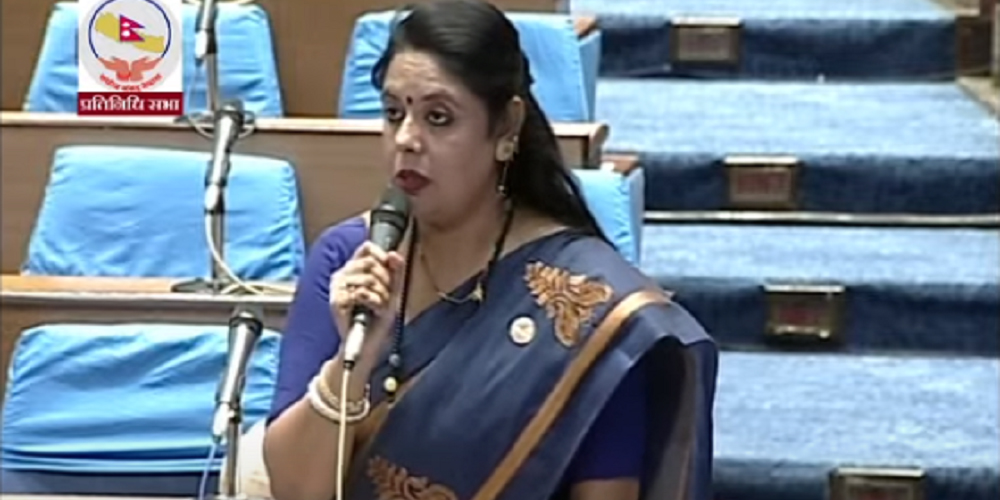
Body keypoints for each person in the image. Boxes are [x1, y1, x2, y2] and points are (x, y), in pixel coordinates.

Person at [261, 1, 718, 499]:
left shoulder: (585, 304)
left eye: (438, 118)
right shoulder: (348, 262)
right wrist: (353, 363)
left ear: (505, 130)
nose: (406, 139)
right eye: (393, 114)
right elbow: (294, 491)